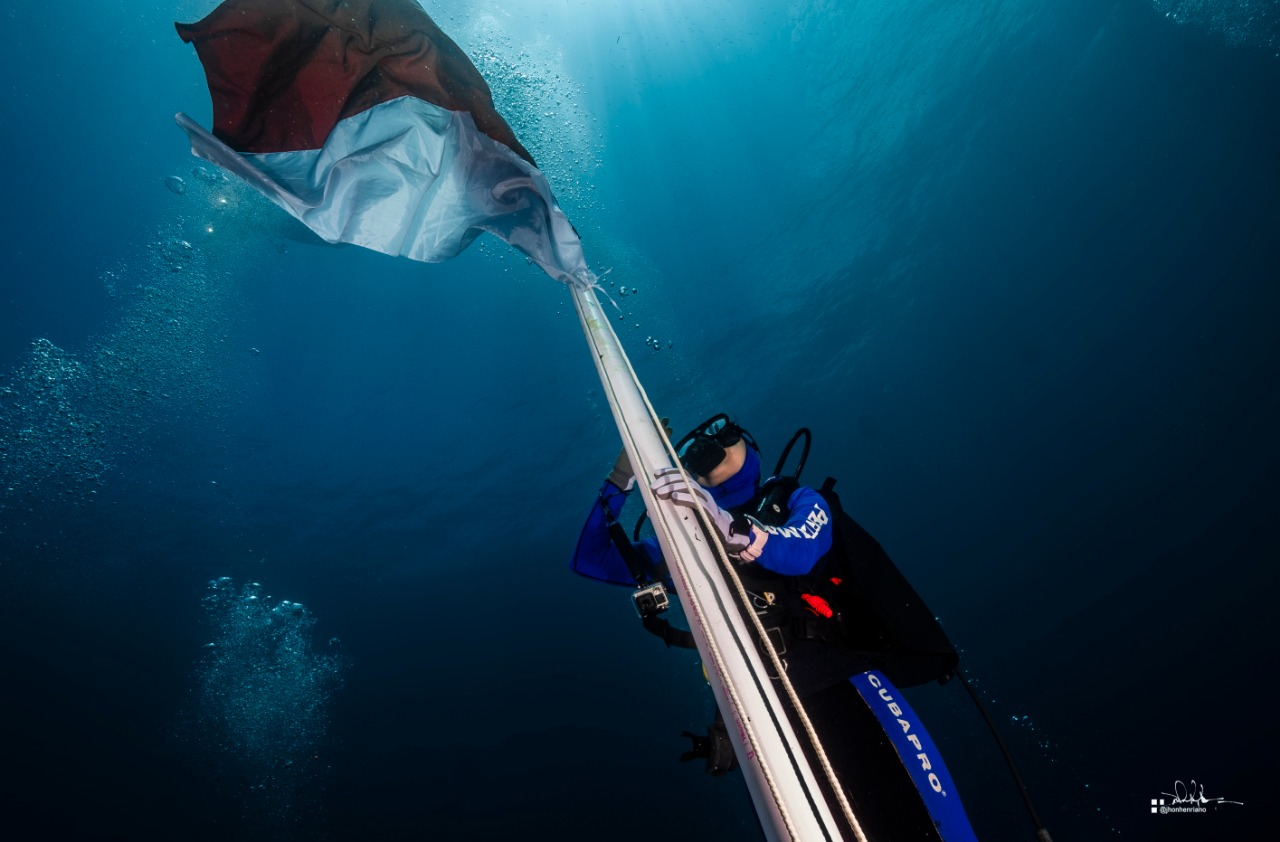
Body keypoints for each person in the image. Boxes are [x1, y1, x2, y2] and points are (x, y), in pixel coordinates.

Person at [570, 414, 834, 589]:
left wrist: (733, 531)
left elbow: (804, 550)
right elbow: (590, 559)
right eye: (694, 452)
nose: (707, 444)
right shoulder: (683, 543)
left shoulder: (799, 498)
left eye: (723, 433)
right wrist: (619, 480)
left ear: (752, 448)